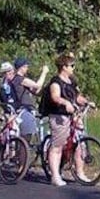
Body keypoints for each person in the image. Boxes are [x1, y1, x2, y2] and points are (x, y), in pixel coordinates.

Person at [41, 54, 91, 187]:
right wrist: (66, 103)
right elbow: (55, 97)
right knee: (57, 146)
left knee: (80, 143)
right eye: (72, 65)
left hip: (73, 116)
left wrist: (87, 102)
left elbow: (77, 96)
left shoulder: (72, 81)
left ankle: (80, 173)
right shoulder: (55, 82)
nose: (73, 68)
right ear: (64, 67)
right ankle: (55, 176)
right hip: (59, 116)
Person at [11, 57, 49, 143]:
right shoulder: (19, 79)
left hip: (29, 110)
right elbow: (37, 85)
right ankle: (21, 155)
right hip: (24, 110)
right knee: (25, 137)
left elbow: (36, 91)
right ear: (22, 67)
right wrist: (44, 73)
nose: (27, 69)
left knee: (28, 137)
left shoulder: (21, 80)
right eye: (26, 67)